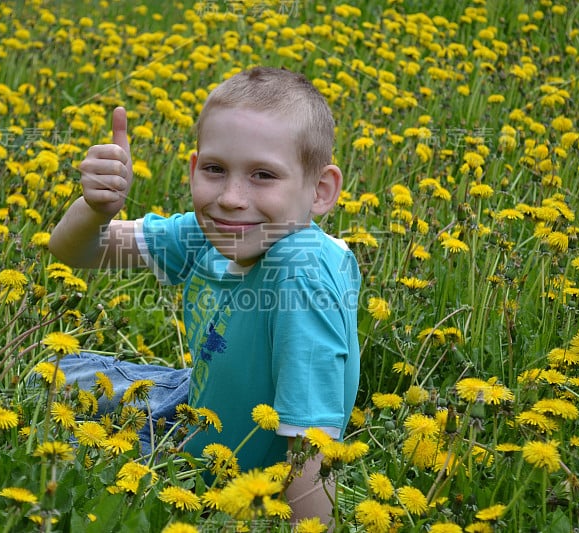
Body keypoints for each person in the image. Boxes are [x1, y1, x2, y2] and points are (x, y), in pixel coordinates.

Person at [48, 66, 360, 526]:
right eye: (216, 170)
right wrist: (95, 209)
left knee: (65, 454)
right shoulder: (206, 233)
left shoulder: (303, 271)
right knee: (52, 375)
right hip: (195, 405)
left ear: (320, 190)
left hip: (240, 476)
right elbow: (76, 251)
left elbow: (310, 448)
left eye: (262, 175)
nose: (232, 197)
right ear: (194, 169)